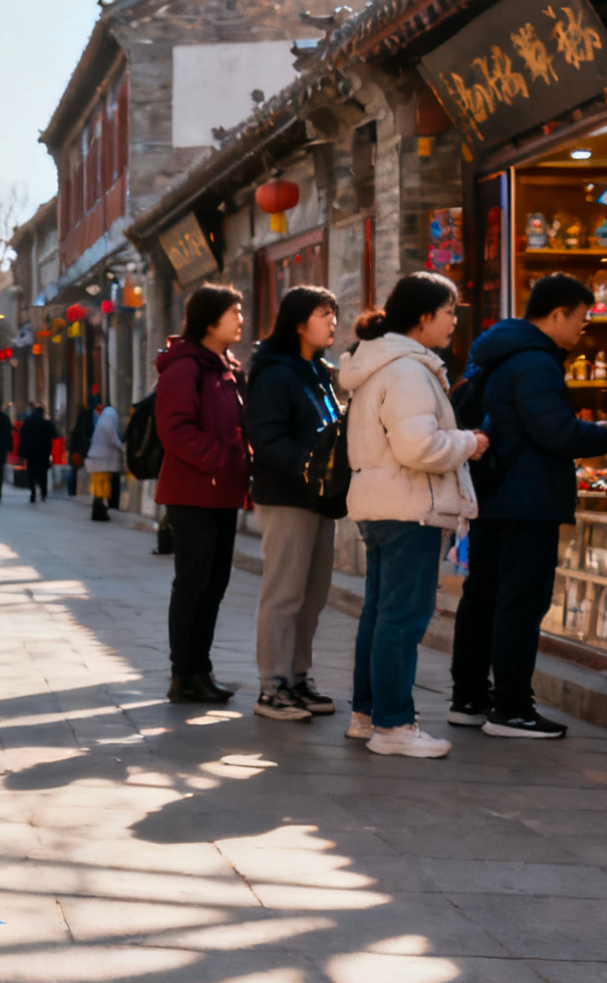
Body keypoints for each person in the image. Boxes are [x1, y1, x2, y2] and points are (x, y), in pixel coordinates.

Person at [451, 275, 607, 739]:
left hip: (495, 492)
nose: (582, 329)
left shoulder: (500, 353)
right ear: (558, 314)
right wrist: (604, 432)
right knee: (520, 602)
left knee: (483, 596)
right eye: (581, 319)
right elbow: (555, 432)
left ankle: (468, 698)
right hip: (527, 500)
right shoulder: (536, 361)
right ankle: (511, 708)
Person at [337, 272, 484, 759]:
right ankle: (394, 724)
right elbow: (419, 446)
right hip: (409, 508)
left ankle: (369, 714)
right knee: (403, 617)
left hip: (383, 504)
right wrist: (470, 442)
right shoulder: (406, 370)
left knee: (381, 614)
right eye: (449, 313)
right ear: (424, 317)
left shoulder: (382, 363)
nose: (453, 323)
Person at [246, 286, 346, 722]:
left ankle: (299, 676)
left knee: (313, 594)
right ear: (298, 322)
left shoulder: (319, 372)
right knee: (284, 593)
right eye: (325, 314)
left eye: (334, 314)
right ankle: (273, 686)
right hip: (287, 496)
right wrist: (309, 470)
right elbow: (266, 440)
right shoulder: (273, 372)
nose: (333, 322)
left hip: (320, 498)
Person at [154, 285, 250, 704]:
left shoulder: (226, 367)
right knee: (193, 582)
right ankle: (184, 674)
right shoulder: (184, 368)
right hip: (193, 491)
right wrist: (218, 458)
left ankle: (201, 670)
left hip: (223, 490)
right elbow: (174, 429)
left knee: (215, 583)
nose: (240, 319)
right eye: (234, 312)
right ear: (210, 321)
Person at [84, 395, 126, 521]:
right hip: (102, 461)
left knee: (98, 488)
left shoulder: (102, 420)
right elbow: (113, 439)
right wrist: (122, 448)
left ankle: (98, 510)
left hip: (96, 460)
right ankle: (100, 512)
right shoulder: (109, 421)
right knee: (103, 486)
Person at [15, 404, 58, 503]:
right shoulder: (46, 423)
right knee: (43, 473)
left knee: (31, 472)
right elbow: (55, 435)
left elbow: (22, 437)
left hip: (31, 452)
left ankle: (33, 491)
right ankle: (43, 492)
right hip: (44, 452)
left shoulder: (28, 422)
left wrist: (21, 452)